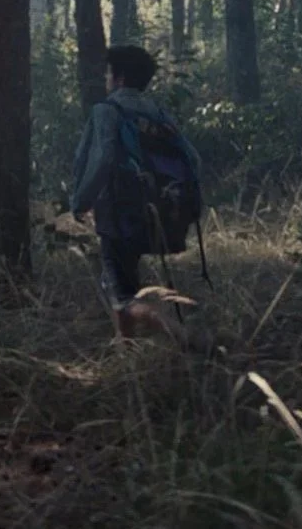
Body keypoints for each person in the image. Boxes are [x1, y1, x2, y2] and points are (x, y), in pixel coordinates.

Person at [69, 45, 204, 338]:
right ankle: (129, 353)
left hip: (118, 211)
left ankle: (178, 333)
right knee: (124, 281)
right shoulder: (157, 111)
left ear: (118, 78)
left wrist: (81, 200)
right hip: (156, 211)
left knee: (119, 290)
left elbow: (102, 157)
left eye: (108, 72)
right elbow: (193, 159)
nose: (105, 78)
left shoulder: (107, 110)